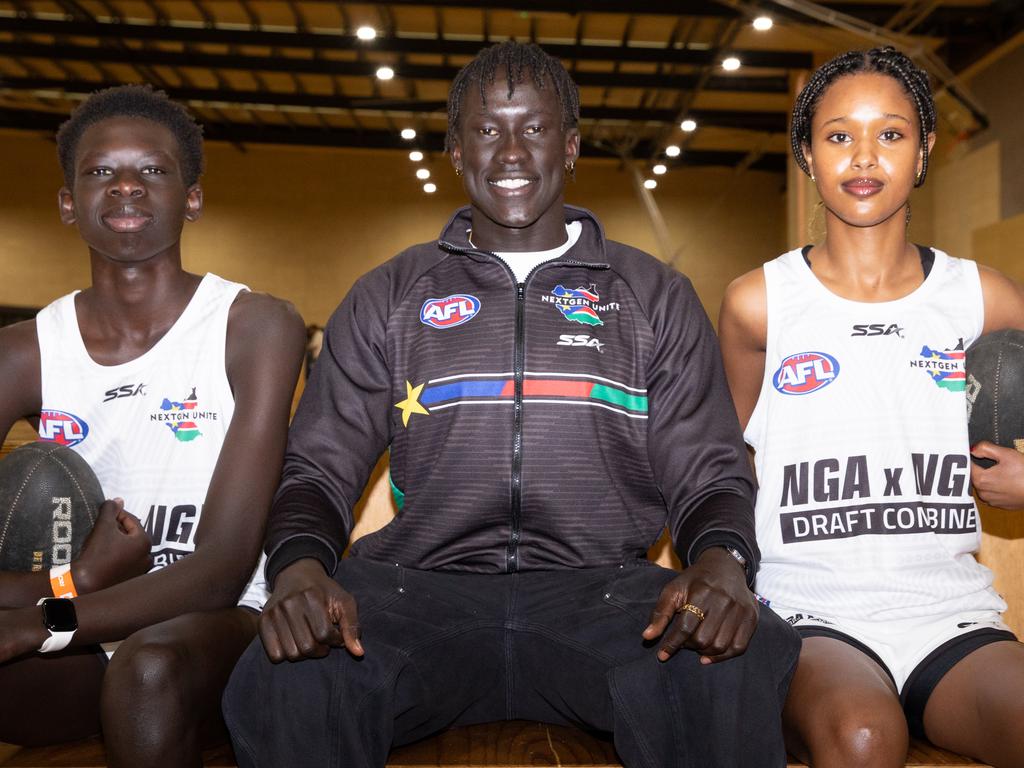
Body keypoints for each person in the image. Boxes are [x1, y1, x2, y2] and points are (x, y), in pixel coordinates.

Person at [223, 41, 799, 768]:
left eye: (534, 128)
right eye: (487, 130)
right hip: (417, 589)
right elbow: (317, 466)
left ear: (572, 144)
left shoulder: (651, 295)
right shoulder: (389, 295)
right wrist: (300, 569)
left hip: (603, 593)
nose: (511, 152)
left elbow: (708, 468)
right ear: (456, 150)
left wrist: (721, 562)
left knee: (730, 661)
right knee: (288, 672)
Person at [719, 47, 1024, 767]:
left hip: (952, 616)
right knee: (862, 739)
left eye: (890, 133)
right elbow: (720, 463)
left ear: (921, 155)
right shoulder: (758, 303)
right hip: (810, 614)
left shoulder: (985, 297)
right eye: (837, 135)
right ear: (806, 154)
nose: (864, 155)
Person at [0, 85, 305, 767]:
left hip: (216, 632)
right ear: (67, 203)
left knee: (147, 671)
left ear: (191, 197)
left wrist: (38, 621)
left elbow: (220, 570)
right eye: (102, 172)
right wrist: (73, 578)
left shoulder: (254, 326)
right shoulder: (22, 352)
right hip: (81, 619)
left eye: (154, 170)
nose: (128, 186)